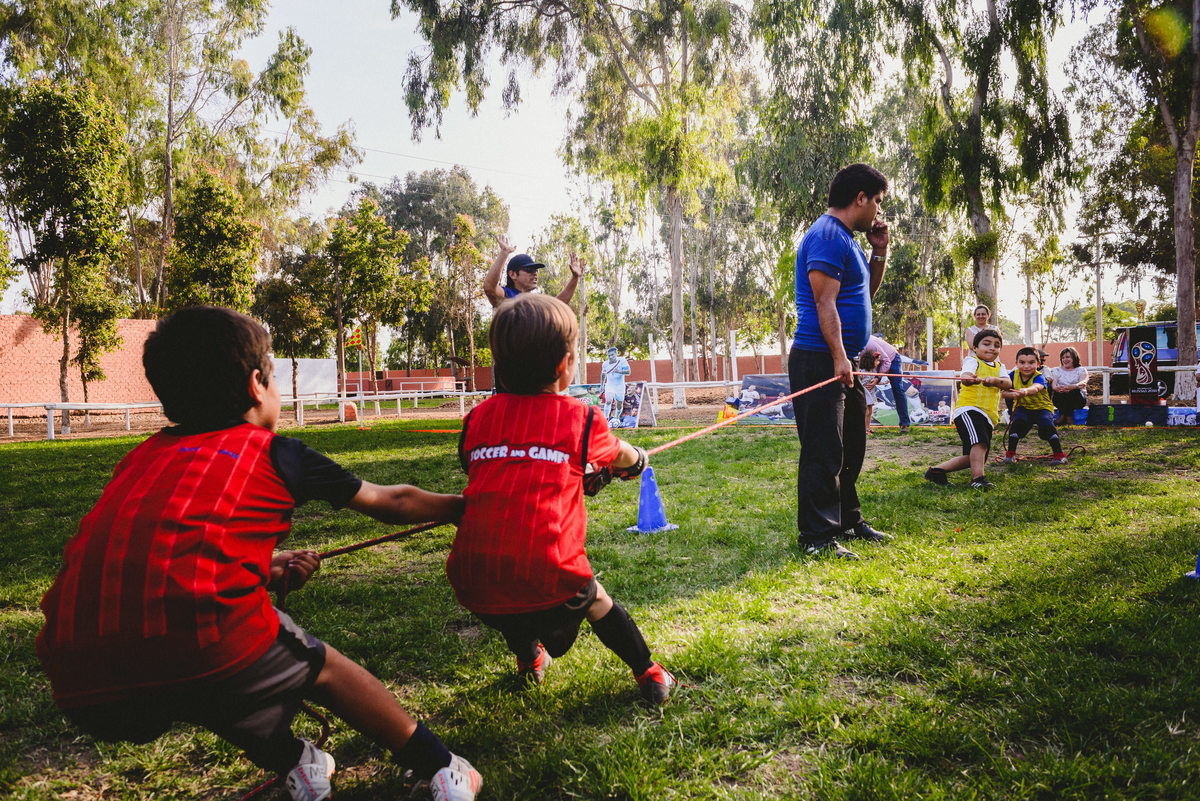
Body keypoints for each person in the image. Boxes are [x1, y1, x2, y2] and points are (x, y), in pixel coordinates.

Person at [35, 307, 481, 801]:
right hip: (204, 645)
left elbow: (152, 552)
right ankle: (443, 766)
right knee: (318, 669)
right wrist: (466, 506)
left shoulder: (138, 459)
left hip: (80, 678)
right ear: (256, 385)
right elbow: (392, 502)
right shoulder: (277, 454)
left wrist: (261, 568)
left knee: (210, 687)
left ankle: (299, 763)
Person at [447, 293, 676, 704]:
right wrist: (638, 461)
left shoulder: (477, 418)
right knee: (596, 600)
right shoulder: (581, 418)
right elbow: (621, 455)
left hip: (474, 582)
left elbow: (480, 466)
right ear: (564, 365)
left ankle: (529, 660)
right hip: (553, 577)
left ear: (499, 366)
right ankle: (649, 672)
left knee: (511, 604)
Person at [790, 162, 894, 560]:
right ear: (860, 198)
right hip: (819, 358)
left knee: (851, 444)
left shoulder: (847, 240)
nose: (879, 210)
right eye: (877, 201)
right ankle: (816, 538)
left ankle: (848, 521)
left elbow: (863, 294)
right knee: (823, 449)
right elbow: (824, 302)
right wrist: (838, 356)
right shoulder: (828, 235)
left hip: (840, 358)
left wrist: (879, 252)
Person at [924, 328, 1011, 491]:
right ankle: (978, 479)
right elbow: (965, 377)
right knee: (980, 443)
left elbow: (1008, 383)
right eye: (987, 344)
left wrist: (994, 380)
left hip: (988, 416)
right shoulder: (972, 360)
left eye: (997, 345)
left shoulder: (1000, 366)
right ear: (975, 348)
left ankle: (936, 471)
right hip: (969, 410)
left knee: (976, 456)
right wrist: (971, 379)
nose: (992, 348)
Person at [1001, 346, 1067, 465]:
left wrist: (1025, 391)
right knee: (1017, 424)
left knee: (1046, 426)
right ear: (1016, 363)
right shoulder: (1012, 375)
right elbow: (1003, 393)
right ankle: (1010, 454)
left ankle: (1059, 455)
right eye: (1022, 362)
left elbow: (1037, 387)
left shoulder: (1039, 376)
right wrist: (1013, 395)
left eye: (1031, 362)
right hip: (1023, 408)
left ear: (1038, 364)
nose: (1026, 366)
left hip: (1042, 408)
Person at [483, 232, 584, 308]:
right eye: (529, 270)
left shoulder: (536, 302)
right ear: (513, 274)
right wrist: (504, 253)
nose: (535, 273)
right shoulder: (506, 295)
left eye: (536, 270)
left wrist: (575, 277)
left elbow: (557, 305)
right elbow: (489, 288)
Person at [861, 334, 910, 432]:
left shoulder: (870, 343)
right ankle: (864, 428)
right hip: (874, 362)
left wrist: (877, 378)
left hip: (891, 359)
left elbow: (886, 361)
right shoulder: (851, 346)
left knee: (897, 389)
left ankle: (904, 424)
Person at [1048, 346, 1089, 425]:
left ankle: (1064, 417)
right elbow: (1054, 386)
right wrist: (1060, 388)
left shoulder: (1081, 370)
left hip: (1077, 399)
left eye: (1067, 357)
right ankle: (1066, 417)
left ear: (1074, 357)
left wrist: (1072, 387)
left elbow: (1083, 383)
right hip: (1060, 397)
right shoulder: (1056, 370)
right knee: (1062, 394)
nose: (1065, 360)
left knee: (1073, 391)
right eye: (1063, 358)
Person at [601, 346, 631, 421]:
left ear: (616, 354)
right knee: (608, 400)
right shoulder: (605, 364)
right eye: (609, 355)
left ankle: (616, 418)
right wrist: (602, 385)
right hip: (609, 385)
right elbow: (603, 374)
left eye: (612, 355)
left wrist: (619, 371)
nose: (610, 357)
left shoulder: (622, 360)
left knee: (619, 403)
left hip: (620, 386)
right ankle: (605, 419)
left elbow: (628, 372)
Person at [859, 350, 879, 435]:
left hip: (870, 392)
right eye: (877, 360)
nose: (878, 362)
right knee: (866, 411)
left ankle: (868, 427)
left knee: (870, 411)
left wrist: (882, 382)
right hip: (865, 392)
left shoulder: (873, 371)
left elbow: (872, 381)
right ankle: (863, 429)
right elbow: (859, 381)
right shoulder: (862, 371)